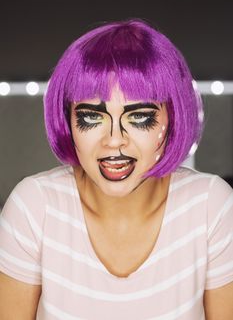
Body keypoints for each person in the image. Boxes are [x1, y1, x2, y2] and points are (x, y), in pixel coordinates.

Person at [0, 19, 232, 320]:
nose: (114, 141)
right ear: (68, 121)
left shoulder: (211, 206)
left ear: (172, 118)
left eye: (139, 117)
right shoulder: (36, 206)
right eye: (91, 118)